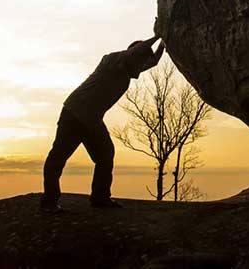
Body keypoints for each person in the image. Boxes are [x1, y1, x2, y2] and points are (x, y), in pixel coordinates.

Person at [40, 34, 164, 212]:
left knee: (105, 154)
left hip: (92, 120)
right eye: (139, 61)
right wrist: (157, 35)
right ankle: (49, 202)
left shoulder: (128, 70)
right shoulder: (112, 60)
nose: (140, 68)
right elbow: (136, 53)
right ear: (133, 56)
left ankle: (100, 197)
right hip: (74, 114)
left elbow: (152, 62)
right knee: (57, 158)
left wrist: (165, 40)